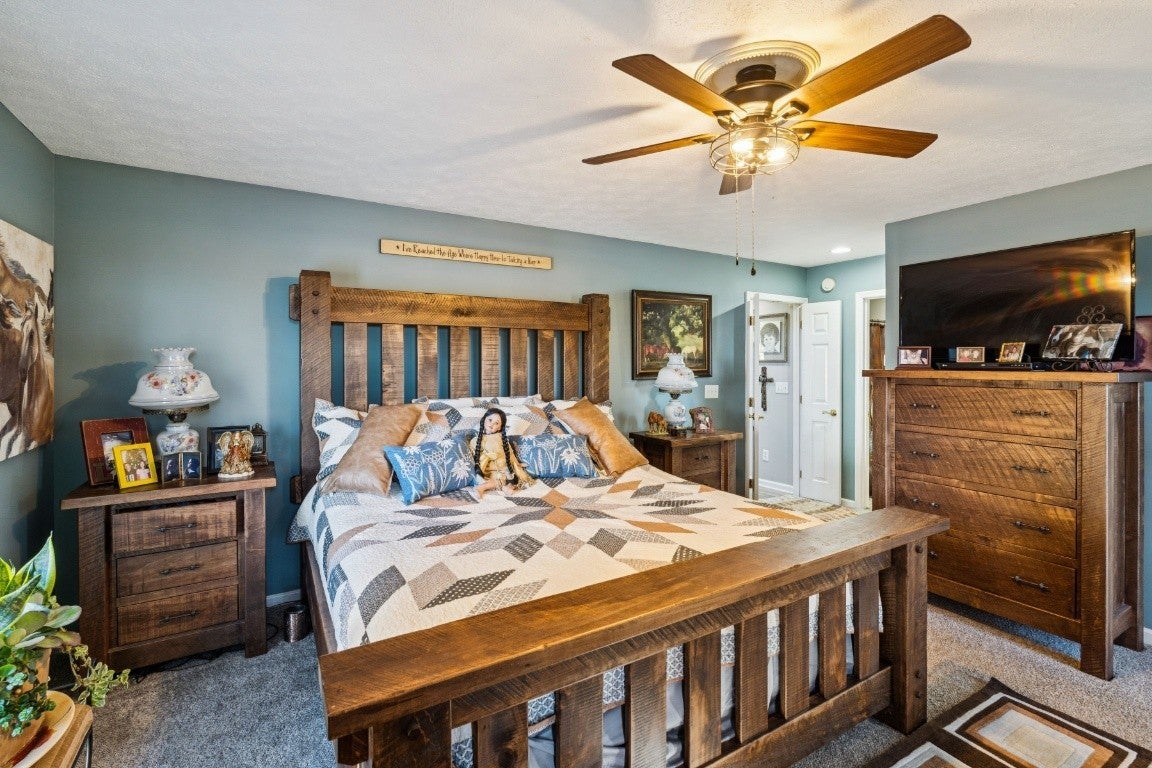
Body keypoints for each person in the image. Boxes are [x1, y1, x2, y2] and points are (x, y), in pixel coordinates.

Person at [470, 407, 534, 499]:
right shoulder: (475, 440)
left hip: (503, 469)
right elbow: (474, 457)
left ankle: (506, 487)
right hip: (489, 470)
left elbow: (510, 454)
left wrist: (517, 464)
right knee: (494, 480)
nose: (492, 424)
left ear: (499, 427)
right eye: (490, 420)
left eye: (496, 423)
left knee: (509, 478)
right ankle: (481, 488)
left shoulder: (502, 439)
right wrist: (487, 456)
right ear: (484, 420)